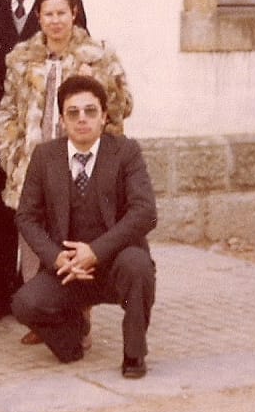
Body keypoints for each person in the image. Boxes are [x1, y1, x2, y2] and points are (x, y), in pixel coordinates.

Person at [0, 0, 133, 344]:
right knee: (34, 240)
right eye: (48, 14)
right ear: (38, 17)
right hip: (33, 161)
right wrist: (11, 152)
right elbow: (8, 109)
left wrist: (98, 80)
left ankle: (79, 318)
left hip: (80, 161)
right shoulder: (21, 58)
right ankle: (41, 317)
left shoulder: (98, 55)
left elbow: (121, 107)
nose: (55, 20)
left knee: (75, 235)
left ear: (74, 14)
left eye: (61, 13)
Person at [12, 75, 157, 378]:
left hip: (116, 263)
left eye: (90, 111)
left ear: (104, 117)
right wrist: (55, 257)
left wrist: (96, 251)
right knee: (24, 304)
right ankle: (73, 337)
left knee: (138, 266)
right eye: (73, 112)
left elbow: (145, 212)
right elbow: (26, 215)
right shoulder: (45, 156)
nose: (82, 119)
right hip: (68, 269)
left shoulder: (125, 152)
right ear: (62, 120)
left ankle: (134, 354)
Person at [0, 0, 88, 322]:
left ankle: (44, 293)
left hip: (51, 126)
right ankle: (2, 287)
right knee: (6, 207)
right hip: (7, 120)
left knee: (49, 212)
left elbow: (80, 51)